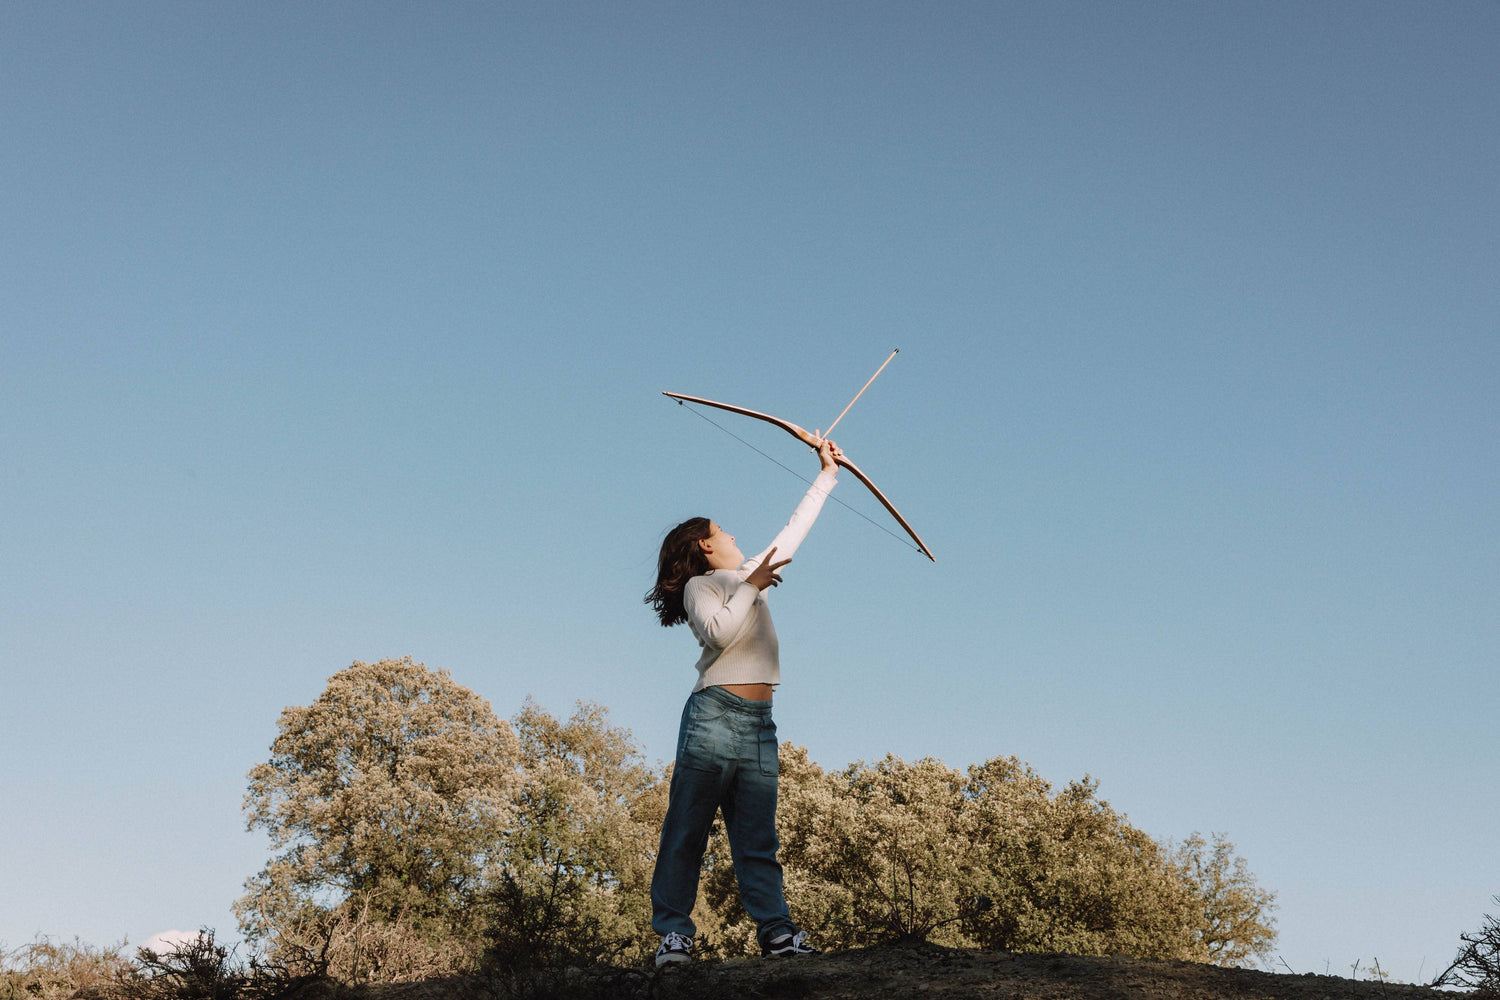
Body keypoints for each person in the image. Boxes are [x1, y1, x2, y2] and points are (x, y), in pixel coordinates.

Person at [642, 436, 843, 967]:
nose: (732, 535)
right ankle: (675, 936)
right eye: (723, 531)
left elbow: (792, 531)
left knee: (757, 837)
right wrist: (752, 584)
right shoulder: (702, 587)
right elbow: (719, 633)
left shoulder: (747, 575)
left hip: (758, 723)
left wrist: (826, 474)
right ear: (706, 546)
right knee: (687, 827)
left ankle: (776, 932)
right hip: (712, 716)